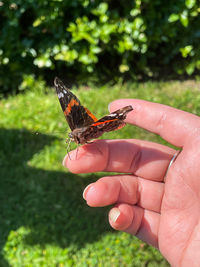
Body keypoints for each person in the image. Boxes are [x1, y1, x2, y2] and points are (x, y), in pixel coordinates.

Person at [63, 99, 200, 267]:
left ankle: (117, 116)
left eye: (74, 138)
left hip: (97, 127)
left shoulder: (84, 132)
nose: (73, 139)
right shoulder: (78, 132)